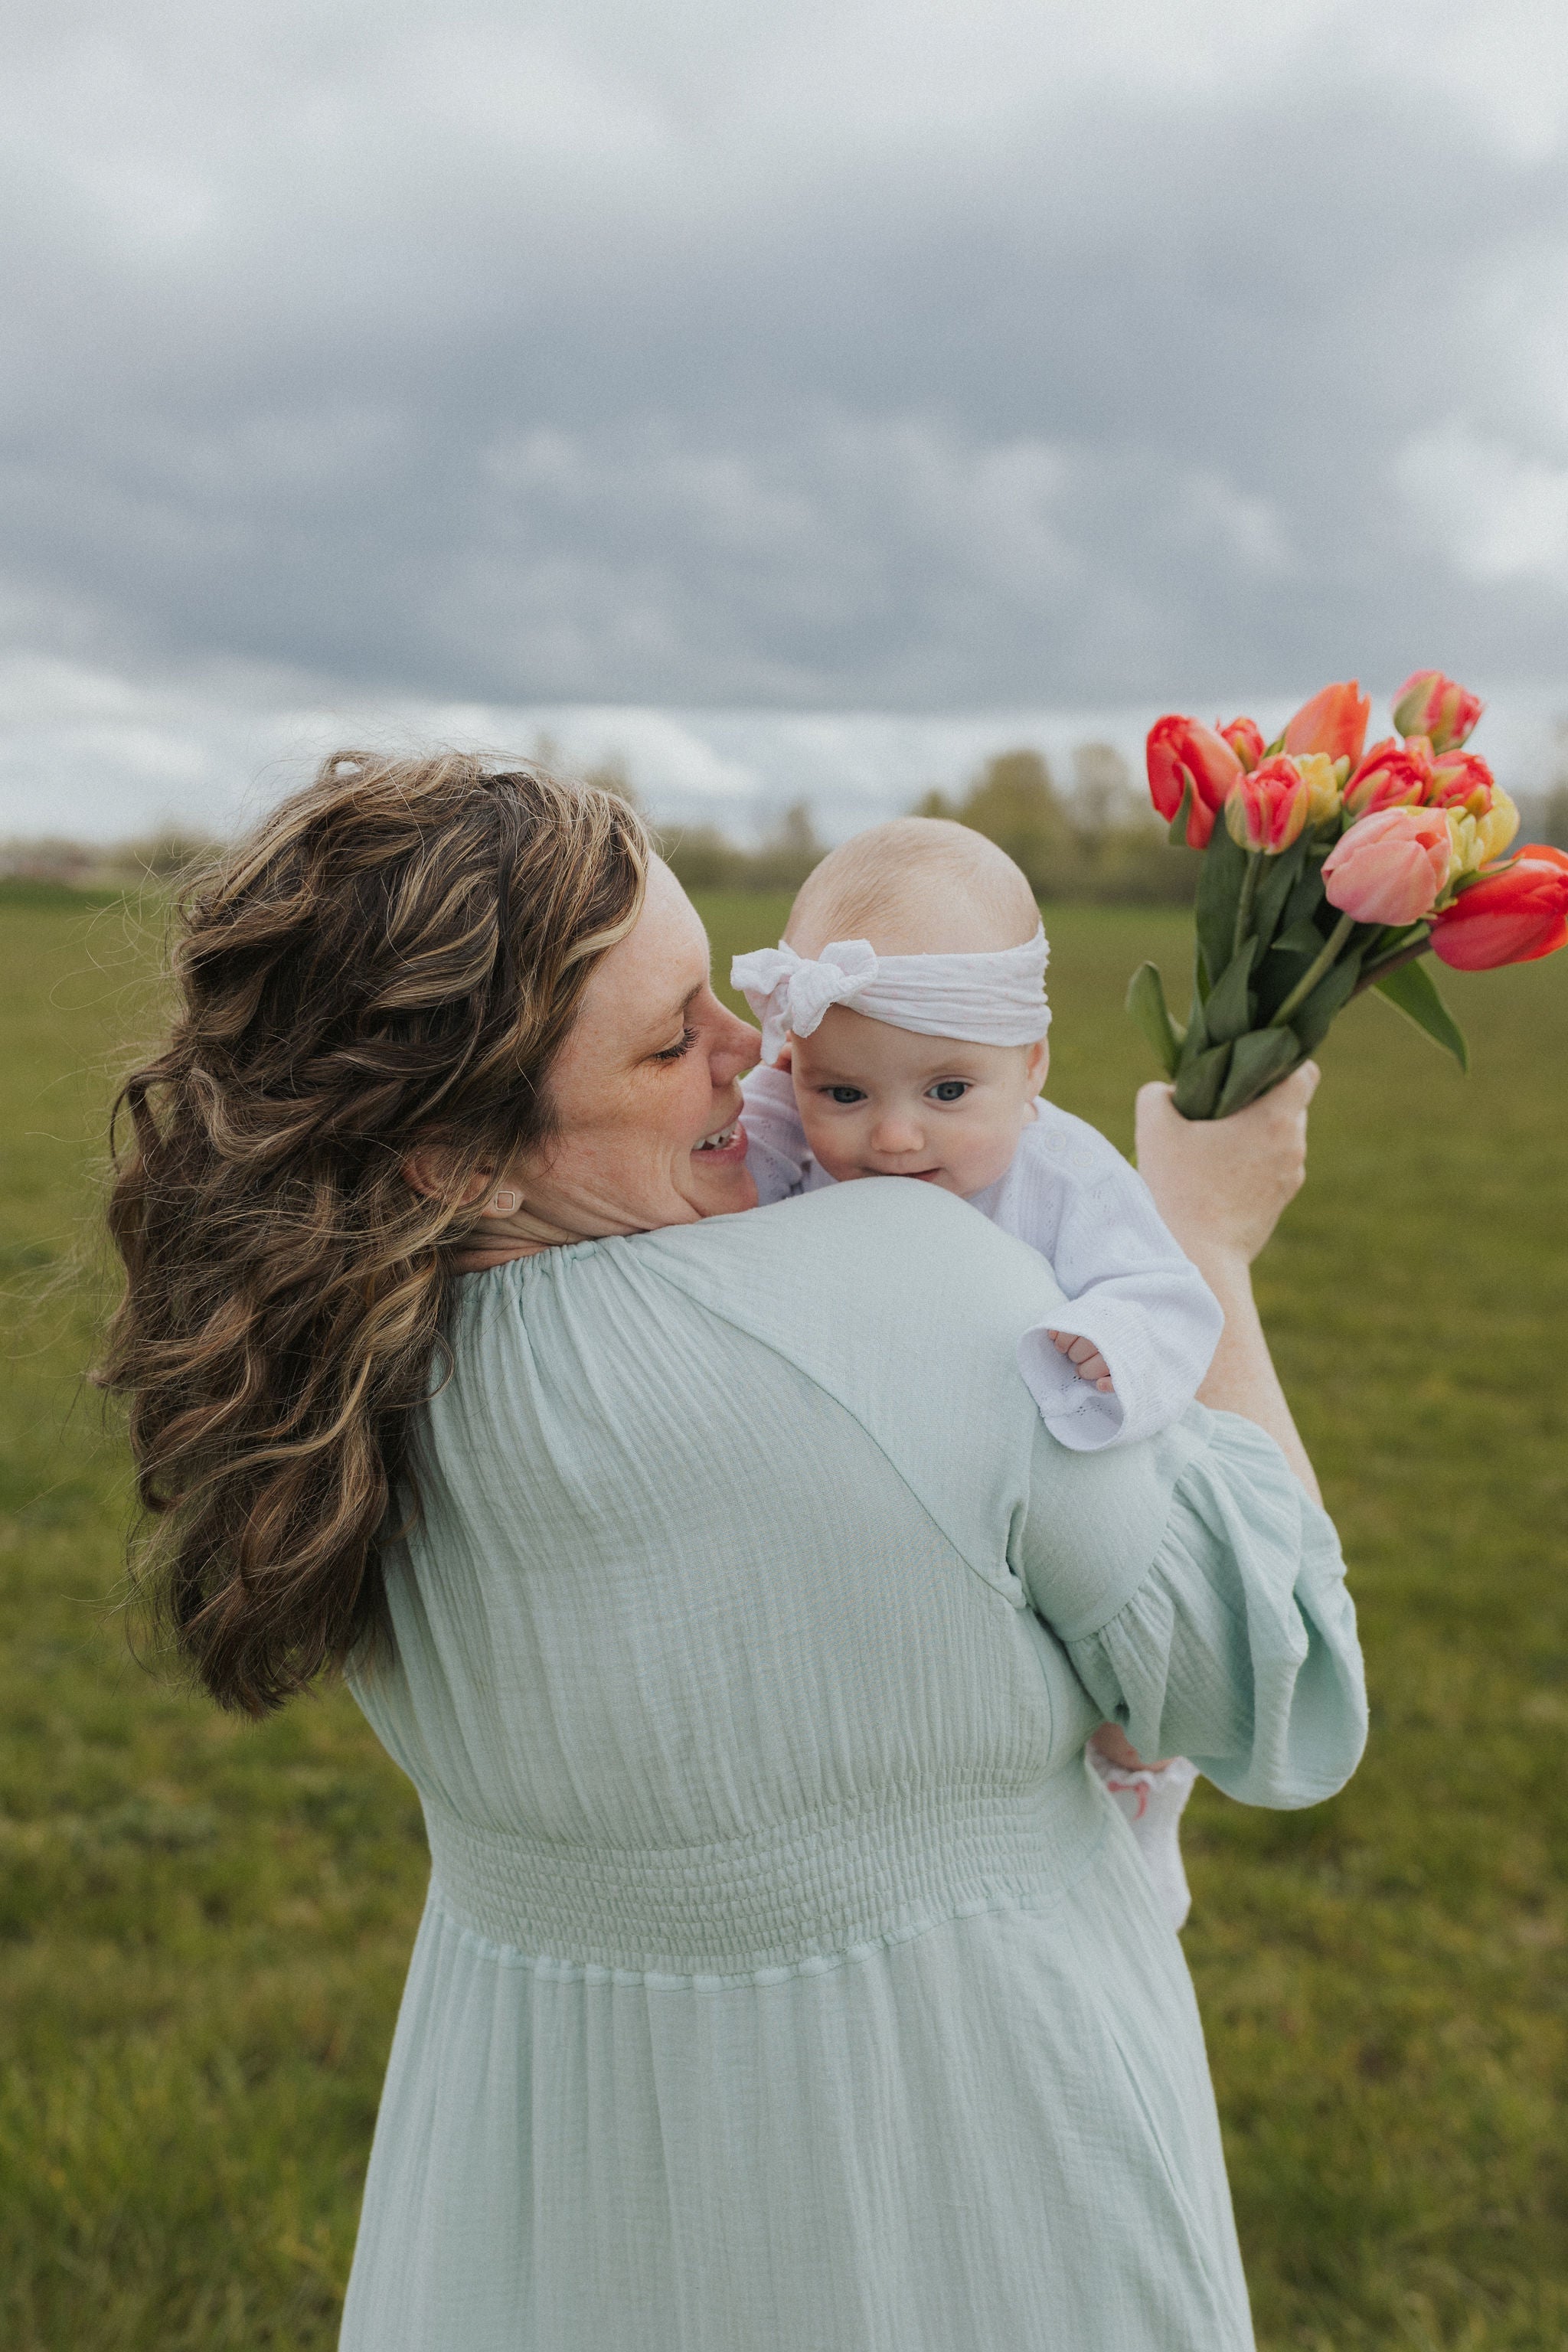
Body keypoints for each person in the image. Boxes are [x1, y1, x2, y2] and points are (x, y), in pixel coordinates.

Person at [100, 751, 1365, 2352]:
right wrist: (1207, 1249)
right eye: (663, 1039)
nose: (749, 1054)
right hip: (957, 2177)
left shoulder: (337, 1379)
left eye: (724, 993)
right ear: (450, 1152)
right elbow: (1275, 1683)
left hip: (537, 2186)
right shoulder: (916, 1293)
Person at [733, 816, 1223, 1922]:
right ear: (791, 1062)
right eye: (843, 1093)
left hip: (1053, 1450)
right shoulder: (786, 1126)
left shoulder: (1062, 1175)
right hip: (896, 1463)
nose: (895, 1139)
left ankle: (1141, 1792)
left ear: (1033, 1065)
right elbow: (727, 1182)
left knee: (1112, 1663)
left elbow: (1166, 1294)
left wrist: (1106, 1343)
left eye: (949, 1093)